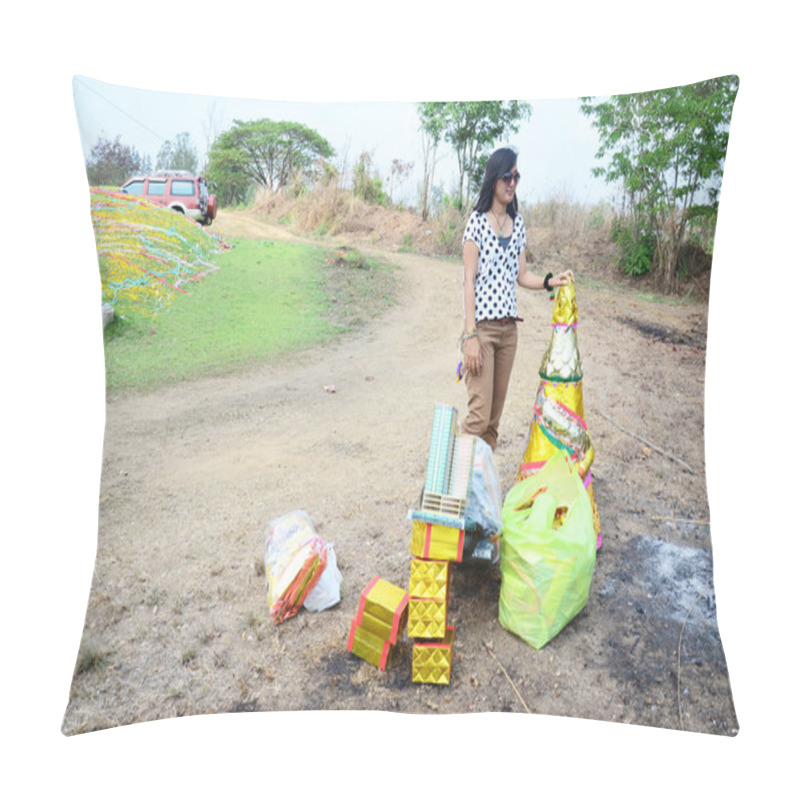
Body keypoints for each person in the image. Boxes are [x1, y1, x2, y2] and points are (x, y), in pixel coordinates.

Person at [460, 147, 573, 451]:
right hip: (482, 331)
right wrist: (470, 335)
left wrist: (551, 281)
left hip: (510, 332)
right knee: (478, 418)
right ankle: (450, 490)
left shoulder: (517, 223)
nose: (512, 183)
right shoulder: (476, 223)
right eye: (507, 176)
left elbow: (522, 275)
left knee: (493, 423)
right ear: (494, 179)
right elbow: (468, 281)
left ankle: (480, 493)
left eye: (516, 177)